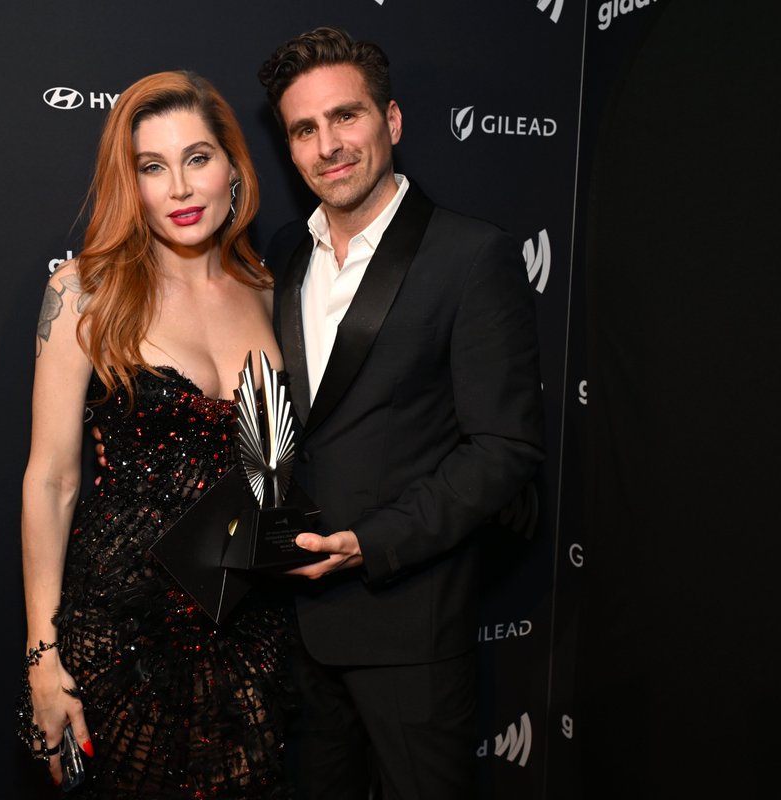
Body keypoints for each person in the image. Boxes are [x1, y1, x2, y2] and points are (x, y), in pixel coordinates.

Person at [257, 27, 546, 800]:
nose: (329, 145)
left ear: (392, 120)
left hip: (408, 627)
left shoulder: (469, 255)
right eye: (304, 130)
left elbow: (503, 448)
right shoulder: (284, 252)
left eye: (345, 117)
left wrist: (371, 543)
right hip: (294, 628)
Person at [17, 70, 293, 799]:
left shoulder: (266, 288)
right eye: (153, 167)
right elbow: (52, 480)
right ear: (130, 183)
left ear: (233, 167)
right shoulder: (85, 290)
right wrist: (43, 658)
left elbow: (272, 471)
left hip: (247, 632)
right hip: (122, 636)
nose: (180, 187)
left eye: (198, 158)